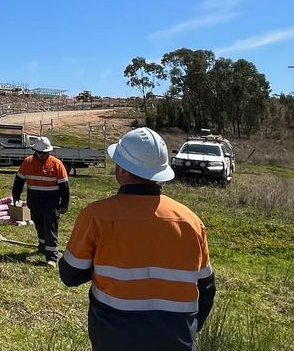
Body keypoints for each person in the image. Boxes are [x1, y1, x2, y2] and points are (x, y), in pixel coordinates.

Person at [59, 127, 216, 351]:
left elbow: (70, 275)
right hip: (176, 340)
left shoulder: (96, 216)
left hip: (114, 339)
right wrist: (189, 330)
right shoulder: (190, 222)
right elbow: (207, 288)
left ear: (122, 170)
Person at [11, 136, 69, 265]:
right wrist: (16, 197)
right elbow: (19, 181)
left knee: (50, 227)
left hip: (51, 201)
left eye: (45, 153)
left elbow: (64, 187)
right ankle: (42, 246)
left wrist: (64, 204)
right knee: (39, 224)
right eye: (40, 153)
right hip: (35, 201)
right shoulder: (27, 162)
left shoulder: (57, 164)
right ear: (35, 151)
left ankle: (51, 258)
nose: (43, 155)